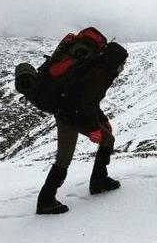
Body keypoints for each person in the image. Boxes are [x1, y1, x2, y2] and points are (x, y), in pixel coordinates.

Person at [36, 42, 129, 214]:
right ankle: (46, 201)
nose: (122, 67)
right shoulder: (99, 73)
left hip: (67, 113)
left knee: (104, 140)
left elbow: (91, 101)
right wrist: (94, 127)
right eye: (122, 63)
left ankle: (99, 181)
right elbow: (87, 102)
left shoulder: (97, 68)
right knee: (66, 157)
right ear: (115, 60)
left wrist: (103, 120)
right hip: (71, 116)